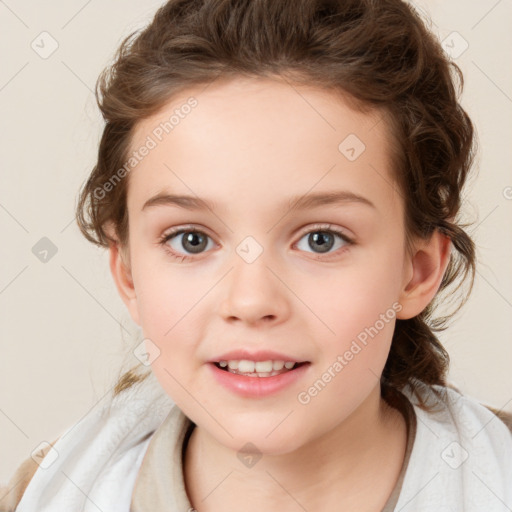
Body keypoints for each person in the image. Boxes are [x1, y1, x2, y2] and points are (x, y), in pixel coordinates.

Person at [2, 0, 511, 510]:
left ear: (417, 272)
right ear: (129, 275)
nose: (251, 301)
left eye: (321, 239)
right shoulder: (45, 494)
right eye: (191, 240)